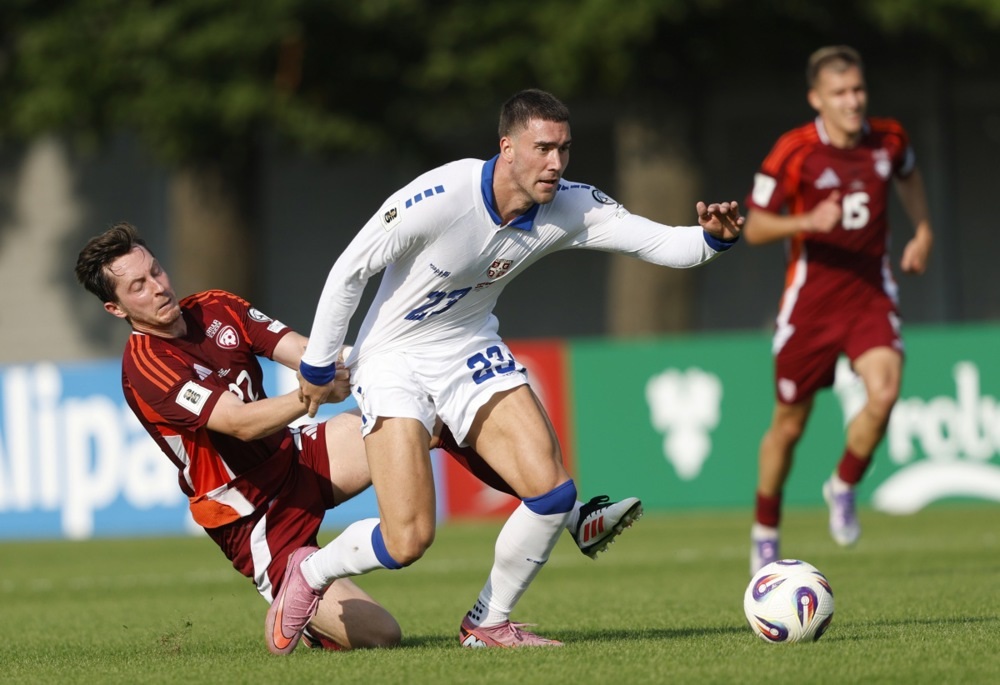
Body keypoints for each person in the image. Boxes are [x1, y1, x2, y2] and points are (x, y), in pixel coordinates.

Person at [293, 88, 743, 649]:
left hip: (467, 347)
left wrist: (712, 239)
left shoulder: (571, 205)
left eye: (564, 149)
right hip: (392, 359)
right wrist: (318, 363)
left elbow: (662, 244)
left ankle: (488, 622)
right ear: (507, 148)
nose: (556, 163)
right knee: (408, 539)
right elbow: (349, 270)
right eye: (542, 148)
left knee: (551, 491)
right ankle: (309, 573)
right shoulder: (441, 196)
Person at [74, 222, 642, 654]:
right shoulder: (145, 367)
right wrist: (311, 394)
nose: (158, 287)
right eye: (138, 286)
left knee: (430, 416)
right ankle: (305, 605)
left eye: (156, 271)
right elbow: (241, 423)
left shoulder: (216, 307)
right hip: (253, 516)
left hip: (298, 457)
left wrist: (378, 362)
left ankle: (572, 516)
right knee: (382, 636)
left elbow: (307, 352)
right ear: (115, 308)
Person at [743, 46, 933, 575]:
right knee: (788, 427)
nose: (853, 102)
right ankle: (765, 529)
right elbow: (755, 226)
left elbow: (909, 176)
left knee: (885, 392)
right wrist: (805, 221)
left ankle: (844, 483)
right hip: (810, 305)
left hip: (870, 294)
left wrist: (923, 231)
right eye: (840, 93)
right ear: (816, 99)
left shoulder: (888, 139)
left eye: (858, 90)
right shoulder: (795, 151)